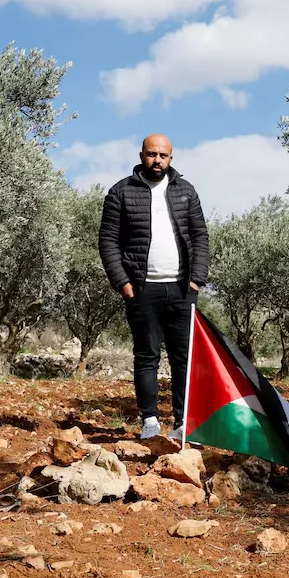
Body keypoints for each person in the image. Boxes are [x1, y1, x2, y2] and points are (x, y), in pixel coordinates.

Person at [98, 134, 209, 440]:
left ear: (171, 159)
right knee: (146, 355)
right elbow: (108, 241)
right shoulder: (121, 191)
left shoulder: (186, 191)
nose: (157, 160)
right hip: (141, 289)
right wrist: (123, 283)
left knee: (183, 358)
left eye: (164, 155)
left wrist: (196, 280)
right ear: (141, 155)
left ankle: (183, 422)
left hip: (181, 288)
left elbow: (200, 236)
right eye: (152, 154)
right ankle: (149, 421)